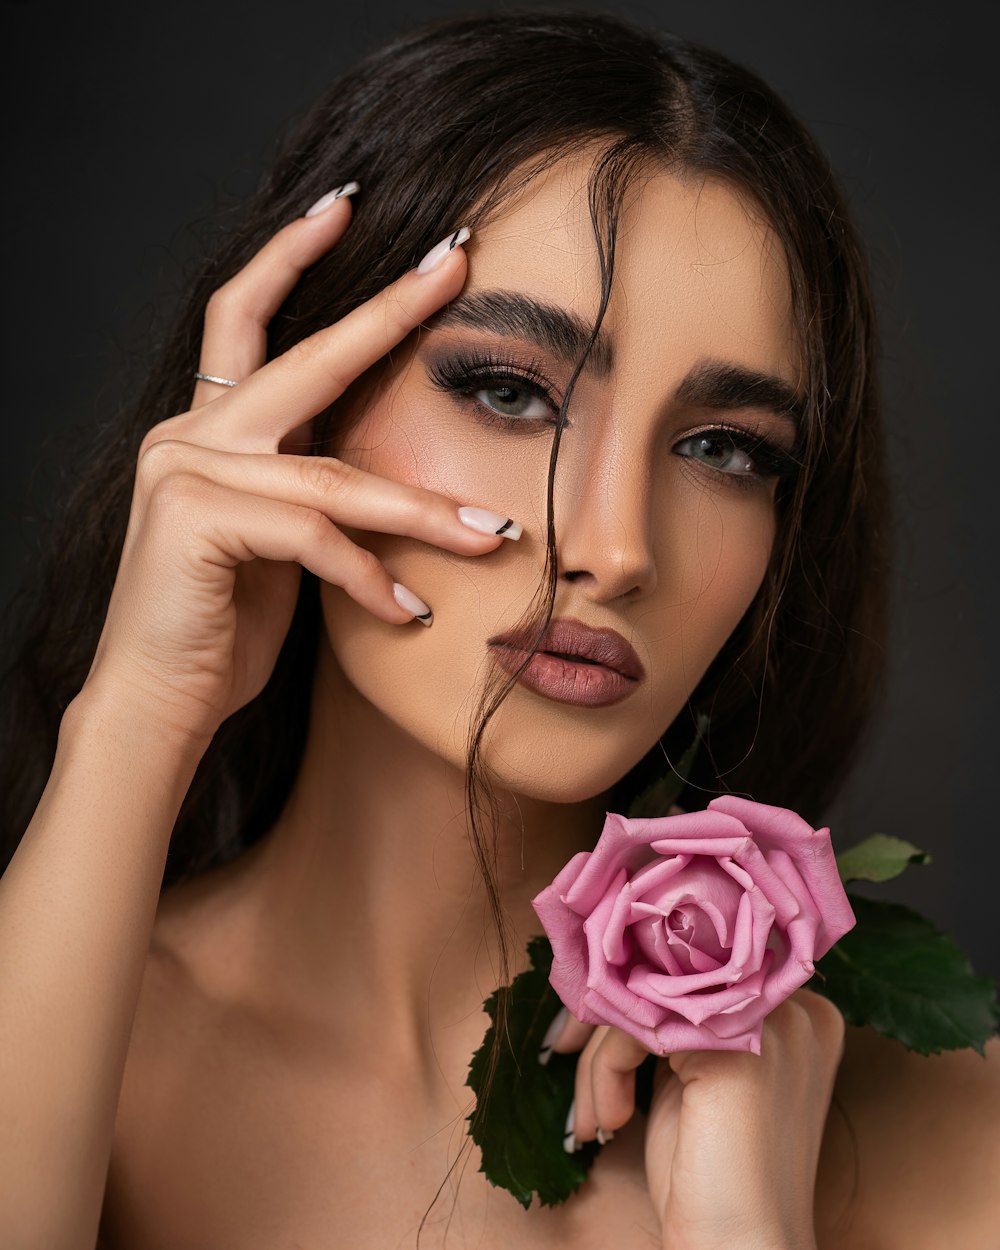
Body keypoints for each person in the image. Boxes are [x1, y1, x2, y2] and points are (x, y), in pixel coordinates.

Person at [0, 10, 996, 1249]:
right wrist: (140, 710)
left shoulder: (951, 1129)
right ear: (291, 415)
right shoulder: (75, 1051)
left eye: (722, 449)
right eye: (508, 390)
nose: (617, 547)